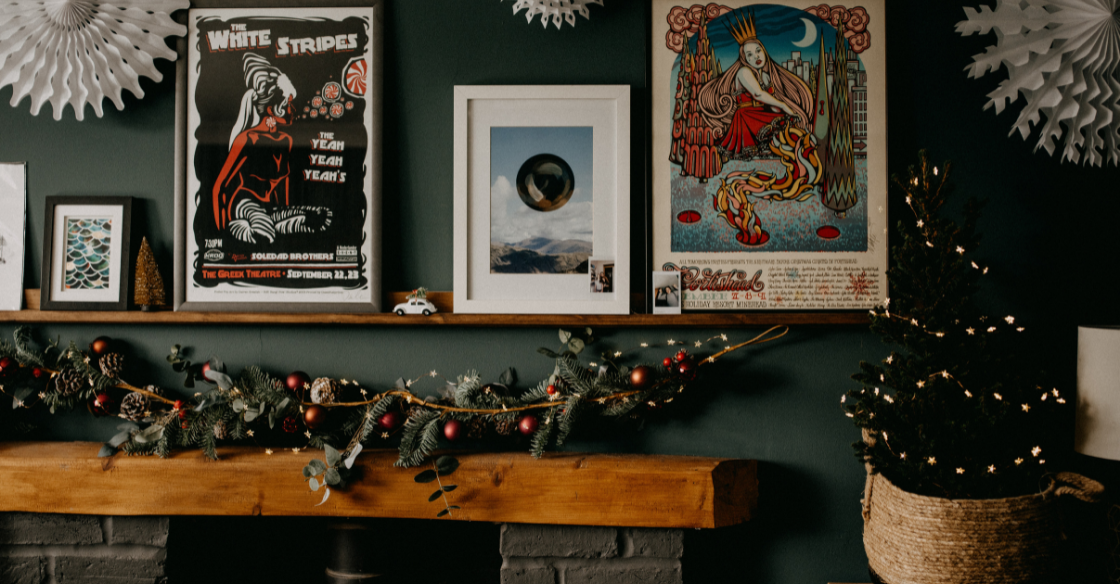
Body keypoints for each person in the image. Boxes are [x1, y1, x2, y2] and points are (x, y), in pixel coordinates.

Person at [212, 53, 330, 245]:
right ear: (274, 106)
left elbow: (282, 184)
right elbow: (219, 187)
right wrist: (219, 232)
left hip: (270, 207)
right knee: (264, 232)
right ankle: (260, 226)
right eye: (288, 101)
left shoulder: (286, 140)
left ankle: (278, 221)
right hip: (244, 205)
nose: (292, 107)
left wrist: (286, 209)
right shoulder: (248, 139)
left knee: (319, 216)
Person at [697, 12, 814, 160]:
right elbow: (758, 94)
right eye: (749, 55)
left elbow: (769, 103)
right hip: (747, 117)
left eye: (758, 51)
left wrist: (782, 110)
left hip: (760, 114)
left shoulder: (765, 76)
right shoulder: (744, 72)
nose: (756, 57)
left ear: (764, 51)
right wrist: (784, 106)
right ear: (744, 58)